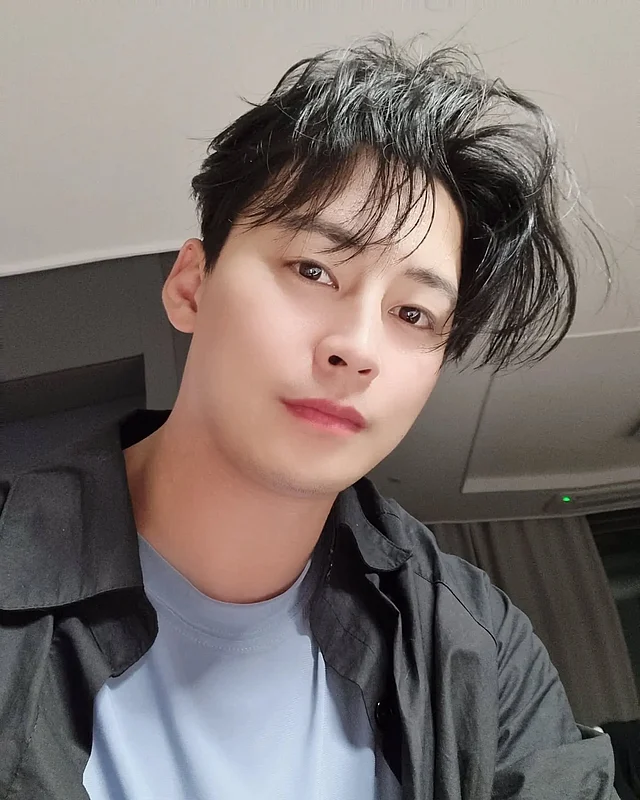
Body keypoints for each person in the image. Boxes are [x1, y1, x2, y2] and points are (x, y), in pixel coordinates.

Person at [0, 34, 619, 800]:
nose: (357, 347)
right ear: (192, 286)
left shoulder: (475, 644)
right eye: (314, 269)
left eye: (413, 314)